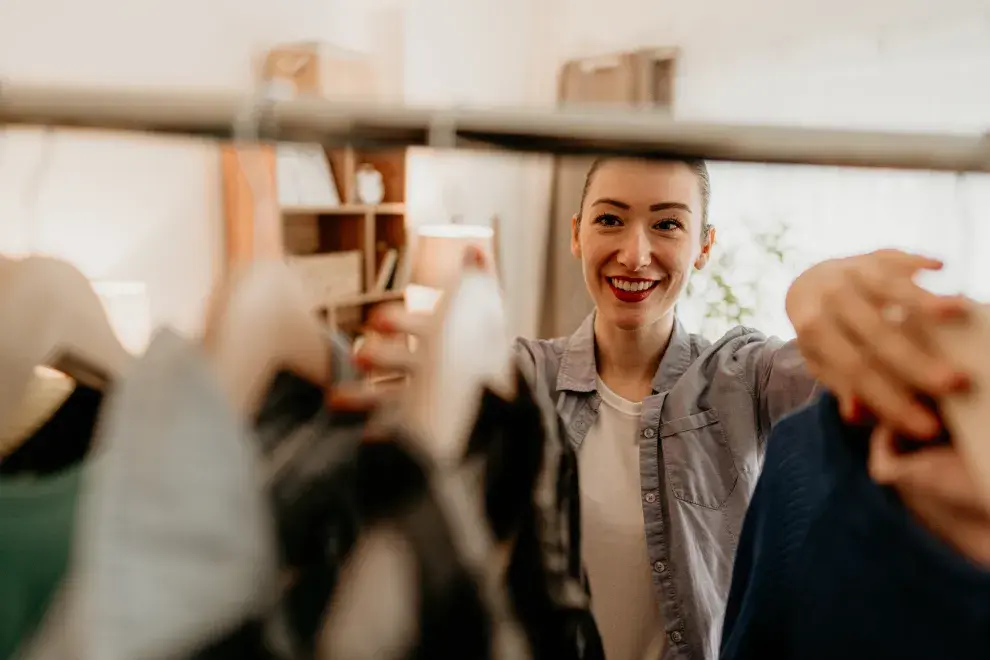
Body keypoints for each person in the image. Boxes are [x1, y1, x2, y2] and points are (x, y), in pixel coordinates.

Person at [339, 157, 970, 660]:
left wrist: (815, 295)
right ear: (577, 233)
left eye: (667, 224)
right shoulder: (526, 375)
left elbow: (867, 400)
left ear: (703, 245)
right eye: (610, 220)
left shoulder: (745, 375)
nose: (635, 254)